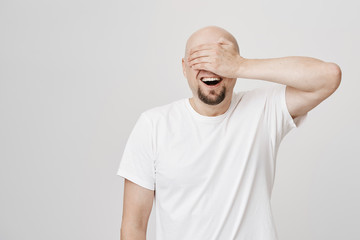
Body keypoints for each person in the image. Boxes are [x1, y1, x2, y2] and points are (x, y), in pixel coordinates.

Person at [117, 26, 341, 240]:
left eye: (220, 57)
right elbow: (134, 226)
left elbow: (329, 76)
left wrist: (240, 65)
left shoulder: (264, 109)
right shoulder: (153, 125)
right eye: (198, 58)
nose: (211, 66)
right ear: (184, 67)